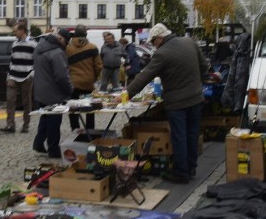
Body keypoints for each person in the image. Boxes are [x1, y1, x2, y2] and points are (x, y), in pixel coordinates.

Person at [118, 23, 208, 184]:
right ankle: (191, 168)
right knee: (192, 134)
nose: (153, 45)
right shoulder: (189, 42)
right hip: (195, 97)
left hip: (177, 102)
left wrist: (127, 93)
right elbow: (204, 66)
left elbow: (145, 76)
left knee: (179, 137)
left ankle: (181, 173)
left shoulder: (162, 53)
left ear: (160, 38)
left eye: (153, 42)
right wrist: (196, 83)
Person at [32, 28, 73, 159]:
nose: (65, 46)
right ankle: (53, 150)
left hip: (40, 89)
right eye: (66, 43)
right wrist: (69, 89)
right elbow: (61, 76)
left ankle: (38, 143)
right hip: (53, 92)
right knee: (54, 122)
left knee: (45, 118)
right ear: (61, 39)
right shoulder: (56, 52)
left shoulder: (40, 47)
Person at [1, 22, 36, 133]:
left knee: (26, 102)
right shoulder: (14, 44)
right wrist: (9, 75)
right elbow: (12, 60)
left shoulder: (33, 44)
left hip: (27, 76)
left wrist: (32, 74)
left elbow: (37, 61)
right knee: (10, 100)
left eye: (16, 30)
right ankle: (10, 124)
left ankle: (26, 125)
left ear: (22, 31)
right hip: (13, 75)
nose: (14, 32)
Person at [66, 25, 102, 131]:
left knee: (73, 108)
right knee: (90, 108)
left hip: (73, 83)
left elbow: (63, 65)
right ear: (86, 34)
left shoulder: (67, 48)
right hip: (88, 83)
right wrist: (93, 77)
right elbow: (99, 66)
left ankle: (75, 129)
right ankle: (90, 129)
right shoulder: (92, 47)